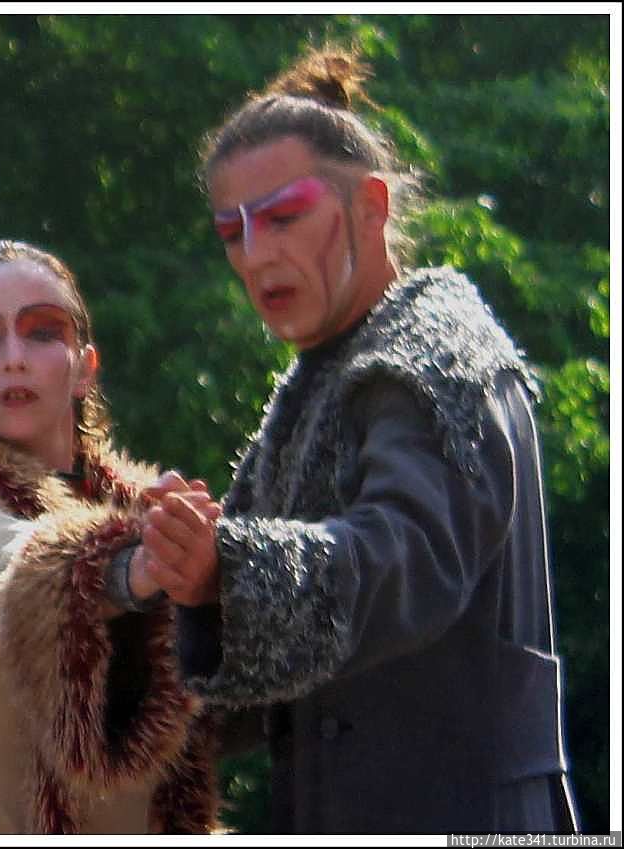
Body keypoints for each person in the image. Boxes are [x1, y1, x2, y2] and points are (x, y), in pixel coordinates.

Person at [136, 48, 580, 834]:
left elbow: (405, 558)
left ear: (371, 206)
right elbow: (241, 674)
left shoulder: (434, 357)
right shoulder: (322, 379)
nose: (255, 254)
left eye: (284, 216)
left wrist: (223, 566)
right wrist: (158, 567)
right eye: (232, 231)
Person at [0, 239, 221, 834]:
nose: (14, 358)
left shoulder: (145, 515)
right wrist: (136, 566)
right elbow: (12, 564)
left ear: (85, 368)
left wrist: (211, 572)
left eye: (42, 332)